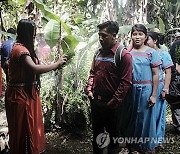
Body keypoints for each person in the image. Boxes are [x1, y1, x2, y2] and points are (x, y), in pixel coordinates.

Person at [5, 19, 67, 154]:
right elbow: (34, 68)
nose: (34, 36)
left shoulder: (23, 48)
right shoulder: (20, 50)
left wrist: (51, 64)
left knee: (28, 126)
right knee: (24, 127)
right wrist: (56, 64)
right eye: (33, 33)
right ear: (26, 33)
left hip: (26, 94)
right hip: (21, 95)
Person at [85, 21, 132, 154]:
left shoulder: (123, 55)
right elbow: (93, 73)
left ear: (114, 35)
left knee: (113, 136)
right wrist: (89, 90)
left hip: (113, 105)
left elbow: (126, 82)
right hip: (96, 101)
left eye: (104, 36)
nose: (100, 39)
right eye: (99, 35)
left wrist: (113, 102)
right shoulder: (98, 53)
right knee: (97, 135)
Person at [124, 24, 162, 153]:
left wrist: (153, 94)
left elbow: (156, 74)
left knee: (145, 118)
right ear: (131, 36)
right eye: (135, 34)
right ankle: (131, 145)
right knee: (131, 117)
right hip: (131, 89)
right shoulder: (127, 53)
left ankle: (144, 147)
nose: (137, 37)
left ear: (145, 36)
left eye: (140, 34)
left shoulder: (151, 53)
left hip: (146, 89)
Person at [147, 31, 173, 143]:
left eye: (148, 39)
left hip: (159, 86)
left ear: (155, 41)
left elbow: (168, 73)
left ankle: (157, 140)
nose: (145, 42)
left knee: (158, 113)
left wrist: (165, 89)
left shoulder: (163, 54)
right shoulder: (145, 53)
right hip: (147, 86)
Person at [167, 31, 180, 133]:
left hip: (176, 76)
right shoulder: (175, 46)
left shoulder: (174, 45)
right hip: (176, 76)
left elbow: (172, 63)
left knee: (176, 102)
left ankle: (178, 125)